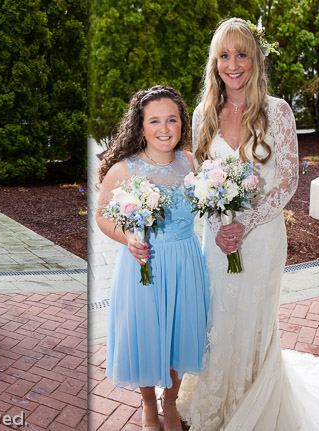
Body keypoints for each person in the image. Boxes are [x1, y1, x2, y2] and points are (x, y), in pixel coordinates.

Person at [176, 17, 319, 431]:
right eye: (224, 55)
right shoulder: (203, 113)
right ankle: (213, 401)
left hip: (260, 237)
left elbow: (288, 180)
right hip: (217, 237)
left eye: (241, 53)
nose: (233, 63)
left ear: (255, 59)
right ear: (215, 63)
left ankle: (249, 402)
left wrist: (244, 223)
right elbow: (202, 178)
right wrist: (216, 220)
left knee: (252, 317)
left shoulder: (277, 111)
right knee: (217, 318)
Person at [97, 85, 209, 431]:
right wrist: (128, 236)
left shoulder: (191, 161)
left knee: (179, 333)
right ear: (140, 126)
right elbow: (102, 216)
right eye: (155, 121)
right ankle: (148, 405)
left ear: (182, 123)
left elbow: (210, 203)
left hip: (186, 262)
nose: (164, 129)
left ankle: (170, 403)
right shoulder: (124, 169)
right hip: (143, 264)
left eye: (172, 119)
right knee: (146, 333)